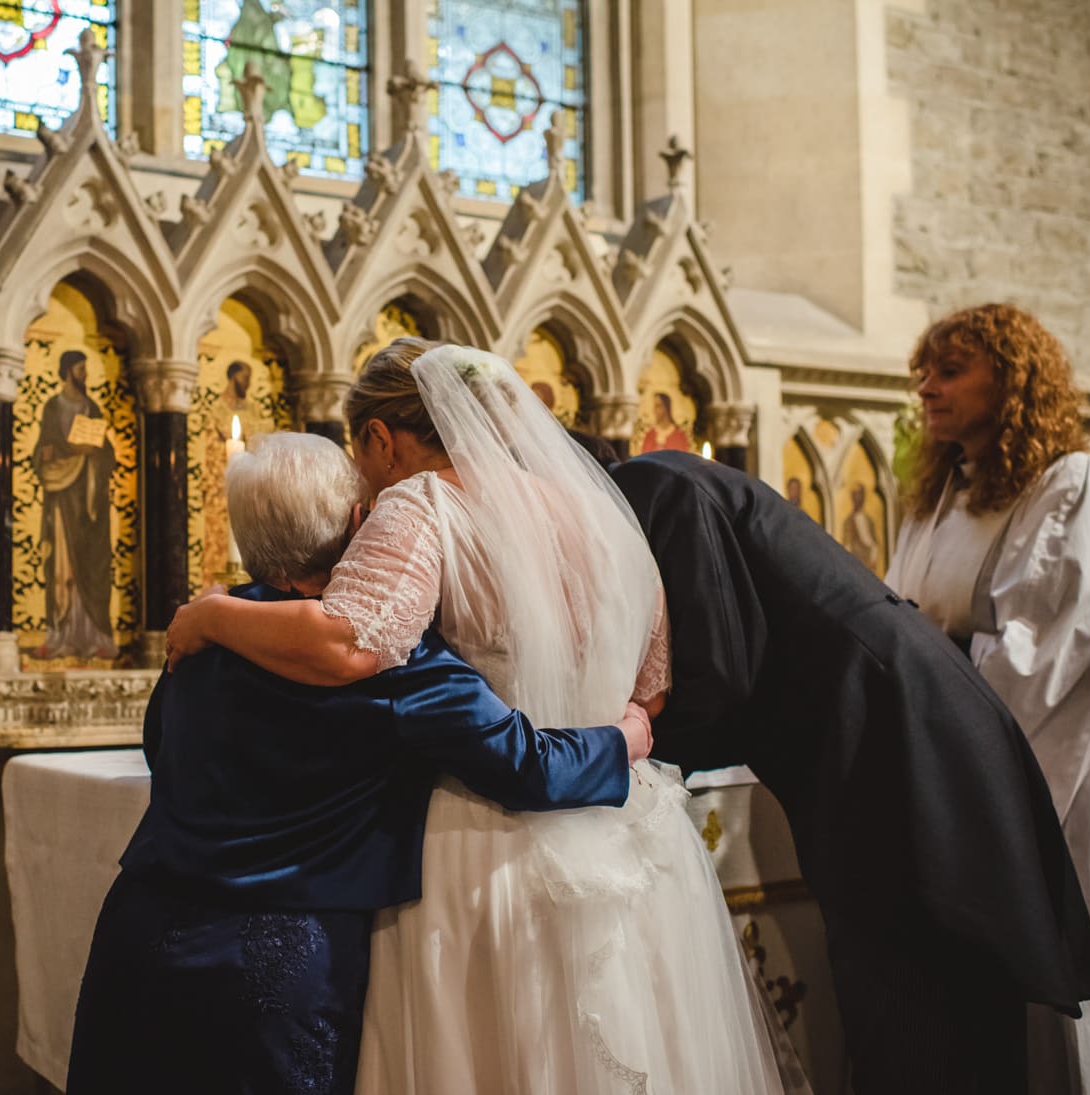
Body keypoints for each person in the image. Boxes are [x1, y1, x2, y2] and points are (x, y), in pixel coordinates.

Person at [168, 339, 796, 1093]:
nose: (362, 481)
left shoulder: (422, 502)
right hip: (633, 838)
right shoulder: (603, 516)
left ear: (380, 438)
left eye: (358, 452)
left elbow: (349, 642)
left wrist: (211, 618)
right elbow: (650, 697)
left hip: (486, 845)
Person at [66, 432, 652, 1095]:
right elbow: (527, 765)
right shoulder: (394, 661)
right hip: (272, 965)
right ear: (359, 521)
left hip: (140, 936)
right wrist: (625, 735)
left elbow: (159, 744)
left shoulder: (204, 631)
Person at [610, 449, 1090, 1095]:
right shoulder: (665, 481)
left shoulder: (652, 485)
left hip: (893, 729)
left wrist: (623, 741)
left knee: (922, 1001)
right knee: (918, 1002)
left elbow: (721, 669)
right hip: (889, 720)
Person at [885, 302, 1090, 1094]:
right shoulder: (939, 498)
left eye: (950, 370)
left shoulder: (1076, 485)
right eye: (924, 369)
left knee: (1076, 1012)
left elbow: (1054, 656)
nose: (926, 387)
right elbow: (899, 621)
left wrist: (922, 675)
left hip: (1066, 779)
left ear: (1013, 379)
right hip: (964, 763)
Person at [31, 349, 117, 660]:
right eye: (81, 369)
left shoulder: (91, 407)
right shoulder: (53, 408)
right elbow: (41, 448)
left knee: (94, 565)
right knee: (61, 565)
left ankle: (94, 636)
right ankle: (60, 636)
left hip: (92, 504)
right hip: (62, 500)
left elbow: (108, 454)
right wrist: (50, 453)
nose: (85, 375)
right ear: (68, 371)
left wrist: (93, 454)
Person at [839, 481, 880, 572]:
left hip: (869, 562)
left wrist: (873, 556)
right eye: (856, 496)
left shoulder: (869, 520)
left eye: (860, 496)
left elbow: (874, 543)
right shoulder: (848, 521)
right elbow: (847, 545)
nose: (858, 499)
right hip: (856, 561)